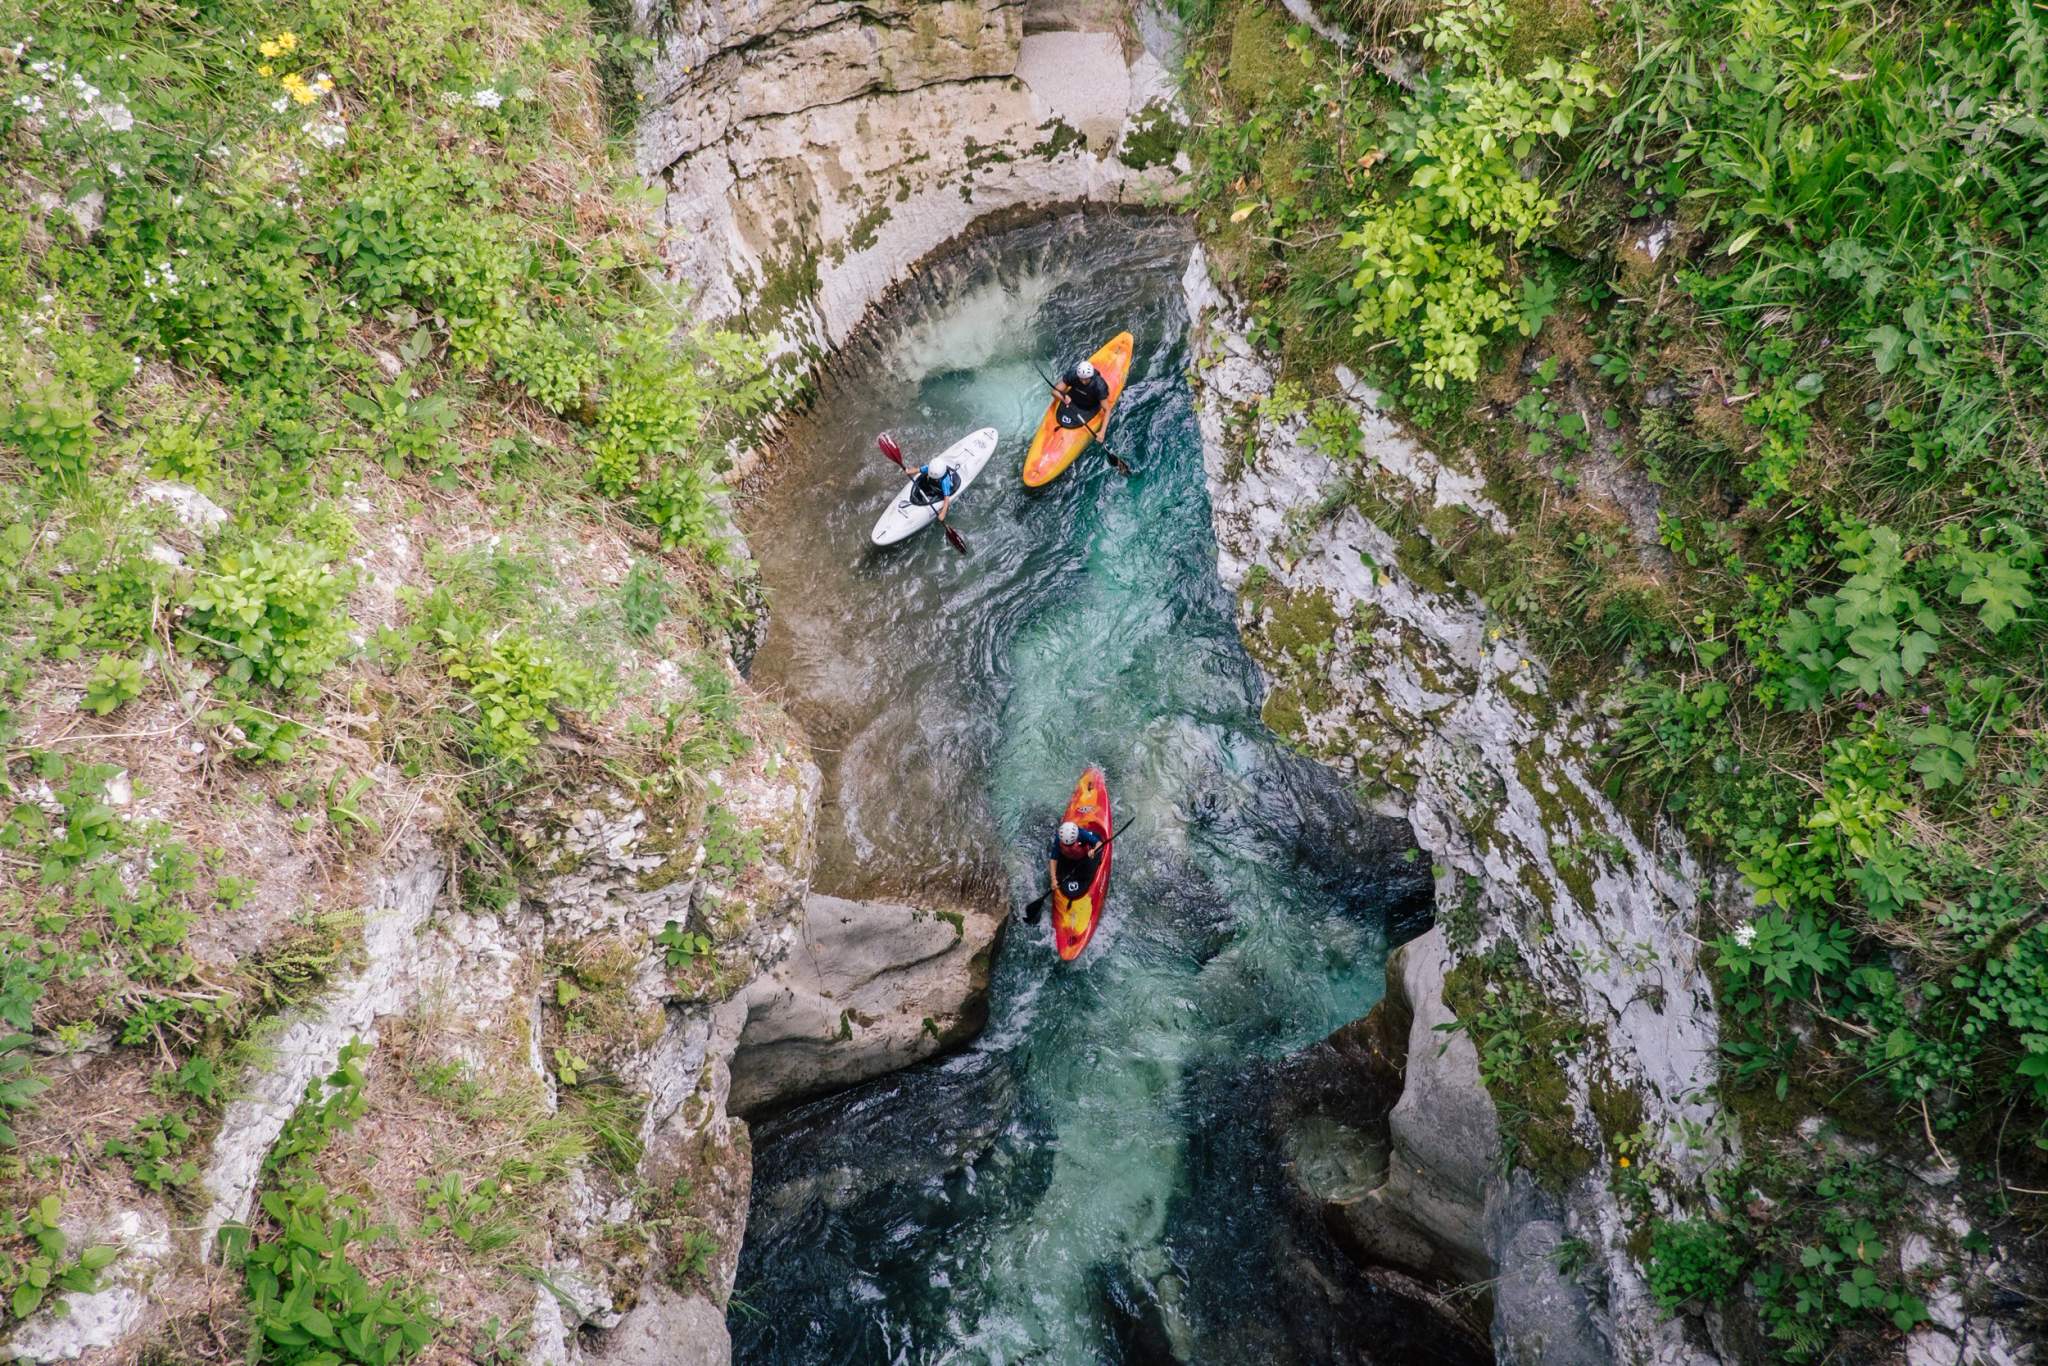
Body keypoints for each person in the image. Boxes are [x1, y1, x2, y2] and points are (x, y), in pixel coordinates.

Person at [1046, 819, 1106, 898]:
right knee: (1061, 875)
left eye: (1071, 845)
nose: (1068, 847)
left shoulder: (1082, 834)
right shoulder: (1059, 839)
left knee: (1089, 872)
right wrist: (1053, 879)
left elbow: (1099, 844)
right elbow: (1053, 859)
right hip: (1067, 860)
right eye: (1066, 845)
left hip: (1084, 859)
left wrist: (1094, 851)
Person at [1053, 358, 1110, 429]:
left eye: (1086, 379)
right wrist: (1063, 398)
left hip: (1089, 407)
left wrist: (1102, 432)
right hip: (1072, 401)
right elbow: (1054, 391)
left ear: (1091, 377)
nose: (1083, 382)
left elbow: (1107, 410)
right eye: (1081, 378)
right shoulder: (1073, 375)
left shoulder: (1099, 385)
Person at [905, 455, 960, 521]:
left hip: (942, 490)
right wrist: (909, 471)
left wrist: (943, 513)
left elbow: (946, 498)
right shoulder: (930, 469)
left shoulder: (945, 481)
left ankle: (944, 510)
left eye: (936, 478)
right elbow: (918, 470)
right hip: (934, 485)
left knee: (943, 507)